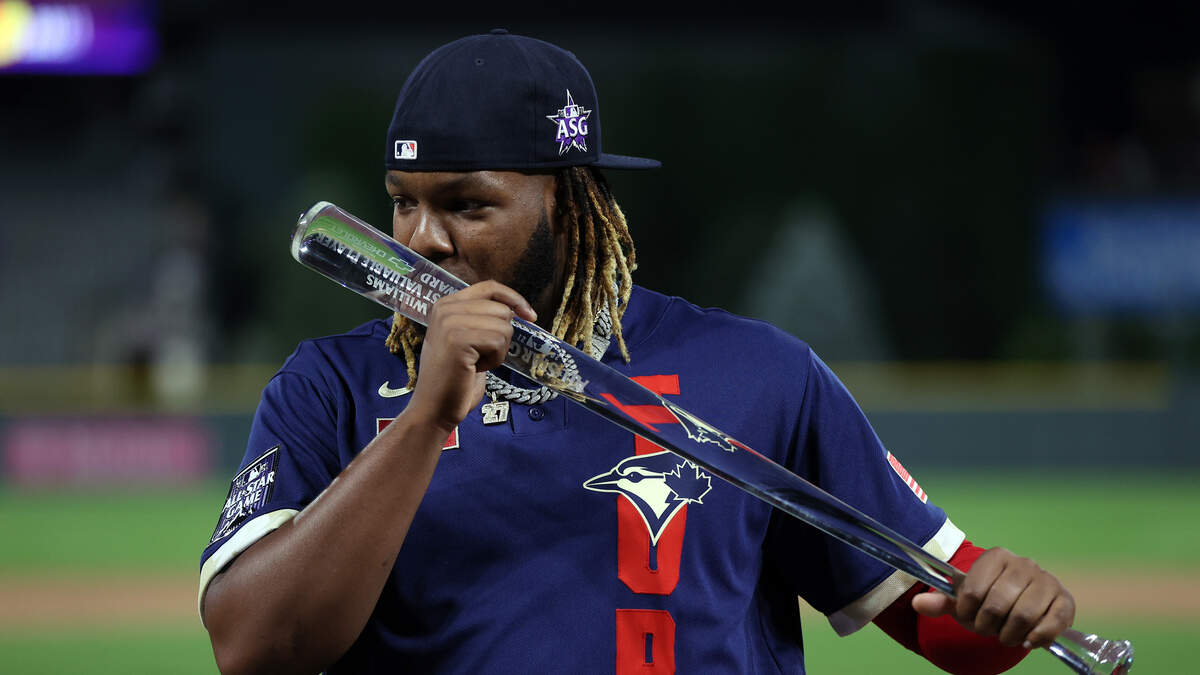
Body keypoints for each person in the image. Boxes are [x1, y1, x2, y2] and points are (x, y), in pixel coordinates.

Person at [199, 30, 1075, 674]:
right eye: (403, 202)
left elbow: (938, 622)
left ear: (569, 202)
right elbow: (253, 645)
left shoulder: (758, 374)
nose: (422, 238)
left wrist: (1010, 608)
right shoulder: (330, 387)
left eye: (466, 204)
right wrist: (426, 417)